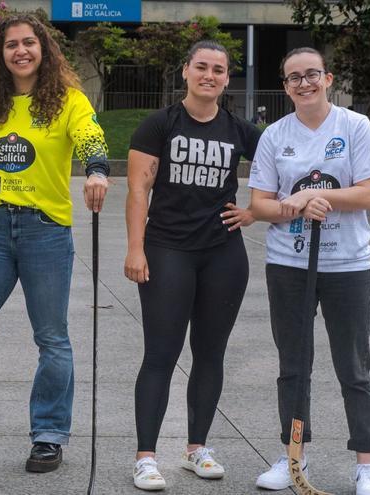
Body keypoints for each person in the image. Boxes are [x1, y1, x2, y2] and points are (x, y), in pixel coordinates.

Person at [0, 14, 110, 474]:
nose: (21, 51)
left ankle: (49, 436)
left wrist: (97, 170)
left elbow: (90, 137)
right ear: (0, 54)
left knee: (52, 337)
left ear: (44, 49)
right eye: (11, 44)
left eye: (29, 43)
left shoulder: (68, 101)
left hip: (46, 231)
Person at [124, 40, 262, 491]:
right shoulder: (159, 124)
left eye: (218, 70)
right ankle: (146, 457)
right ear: (185, 71)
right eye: (201, 67)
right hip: (168, 251)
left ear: (226, 78)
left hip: (223, 254)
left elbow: (286, 168)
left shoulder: (240, 130)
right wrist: (135, 248)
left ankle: (196, 449)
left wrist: (255, 212)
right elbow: (139, 190)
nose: (209, 75)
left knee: (210, 354)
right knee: (161, 354)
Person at [249, 47, 370, 495]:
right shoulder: (274, 134)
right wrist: (291, 205)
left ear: (327, 78)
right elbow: (260, 204)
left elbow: (366, 195)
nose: (303, 83)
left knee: (354, 367)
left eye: (311, 75)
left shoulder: (354, 126)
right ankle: (293, 455)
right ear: (285, 86)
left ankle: (366, 464)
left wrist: (310, 198)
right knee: (293, 366)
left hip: (347, 264)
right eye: (293, 78)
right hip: (289, 264)